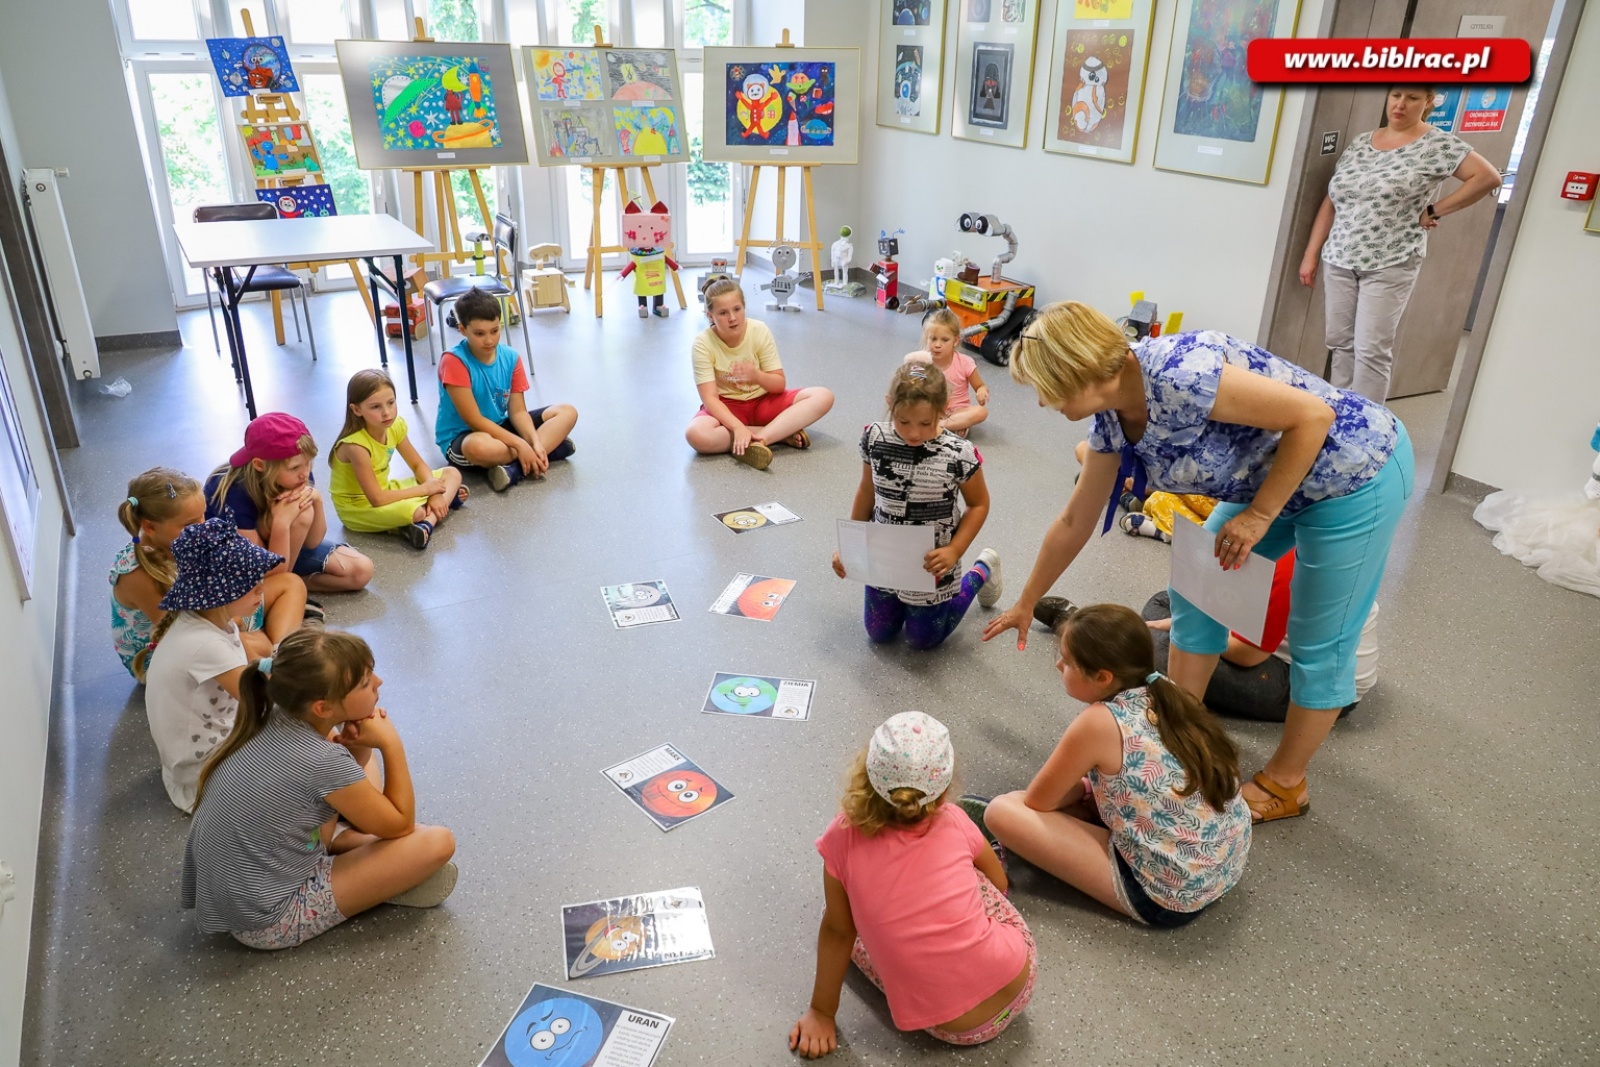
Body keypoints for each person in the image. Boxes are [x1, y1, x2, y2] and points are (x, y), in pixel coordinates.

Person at [987, 302, 1413, 823]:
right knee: (1194, 592)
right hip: (1275, 478)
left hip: (1353, 472)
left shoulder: (1182, 373)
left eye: (1044, 389)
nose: (1040, 402)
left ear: (1077, 372)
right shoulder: (1111, 419)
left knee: (1320, 641)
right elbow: (1075, 520)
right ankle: (1178, 736)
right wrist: (1026, 601)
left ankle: (1286, 784)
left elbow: (1314, 416)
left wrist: (1259, 516)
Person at [976, 605, 1251, 926]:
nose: (1058, 665)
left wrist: (1079, 792)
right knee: (1084, 794)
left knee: (1001, 811)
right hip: (1223, 863)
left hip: (1168, 897)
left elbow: (1038, 801)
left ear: (1103, 677)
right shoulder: (1165, 689)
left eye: (1068, 661)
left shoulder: (1097, 722)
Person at [183, 628, 457, 950]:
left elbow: (333, 784)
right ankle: (377, 877)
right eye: (365, 682)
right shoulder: (322, 760)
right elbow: (400, 824)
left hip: (249, 888)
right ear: (323, 708)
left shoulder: (274, 715)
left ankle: (354, 851)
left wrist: (359, 745)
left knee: (361, 765)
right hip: (268, 919)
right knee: (437, 842)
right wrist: (390, 743)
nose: (379, 682)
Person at [790, 712, 1035, 1058]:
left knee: (850, 924)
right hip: (1020, 979)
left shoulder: (841, 837)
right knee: (973, 871)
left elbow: (838, 932)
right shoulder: (954, 818)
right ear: (943, 788)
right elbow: (998, 882)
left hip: (952, 1028)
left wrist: (821, 1012)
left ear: (865, 774)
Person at [1299, 85, 1502, 402]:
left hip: (1391, 260)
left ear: (1429, 101)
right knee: (1340, 343)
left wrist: (1434, 210)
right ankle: (1340, 415)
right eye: (1395, 95)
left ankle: (1369, 425)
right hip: (1339, 256)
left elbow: (1488, 177)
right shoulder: (1361, 142)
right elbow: (1332, 200)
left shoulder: (1438, 144)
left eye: (1412, 98)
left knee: (1371, 350)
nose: (1400, 104)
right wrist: (1311, 254)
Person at [831, 362, 1001, 650]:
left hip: (932, 563)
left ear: (943, 409)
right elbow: (866, 490)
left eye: (925, 423)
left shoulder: (959, 452)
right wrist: (850, 545)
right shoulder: (874, 437)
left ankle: (982, 570)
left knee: (923, 639)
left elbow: (979, 504)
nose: (913, 433)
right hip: (883, 557)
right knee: (879, 633)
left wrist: (954, 550)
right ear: (890, 405)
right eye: (903, 421)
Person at [144, 517, 283, 812]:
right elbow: (263, 701)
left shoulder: (212, 621)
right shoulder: (206, 645)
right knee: (311, 750)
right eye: (251, 584)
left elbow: (253, 670)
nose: (262, 588)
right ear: (221, 592)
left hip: (198, 757)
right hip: (205, 777)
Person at [113, 467, 304, 681]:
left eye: (203, 516)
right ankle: (274, 669)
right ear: (149, 527)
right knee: (254, 645)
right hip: (171, 653)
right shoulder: (139, 574)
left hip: (210, 617)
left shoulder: (190, 540)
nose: (202, 527)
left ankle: (280, 653)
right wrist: (235, 622)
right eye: (189, 524)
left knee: (291, 584)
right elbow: (182, 633)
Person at [206, 412, 374, 594]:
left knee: (361, 571)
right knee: (301, 513)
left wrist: (317, 500)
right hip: (243, 566)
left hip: (283, 551)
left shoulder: (298, 473)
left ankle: (292, 583)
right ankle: (284, 587)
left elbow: (312, 542)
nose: (305, 473)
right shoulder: (232, 492)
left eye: (308, 463)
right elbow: (260, 568)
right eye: (295, 467)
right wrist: (281, 523)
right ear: (260, 465)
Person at [435, 288, 578, 492]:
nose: (489, 340)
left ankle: (518, 467)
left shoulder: (511, 357)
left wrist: (534, 442)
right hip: (465, 435)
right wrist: (520, 445)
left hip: (500, 426)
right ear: (462, 330)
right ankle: (548, 452)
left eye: (495, 331)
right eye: (479, 334)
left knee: (567, 412)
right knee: (477, 447)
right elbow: (474, 420)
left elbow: (517, 412)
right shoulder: (453, 361)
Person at [684, 278, 835, 470]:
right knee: (695, 434)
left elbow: (779, 385)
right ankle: (780, 434)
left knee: (823, 396)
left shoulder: (759, 330)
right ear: (710, 316)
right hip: (727, 407)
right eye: (723, 313)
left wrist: (756, 375)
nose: (732, 318)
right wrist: (737, 427)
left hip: (763, 402)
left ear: (744, 307)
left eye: (737, 309)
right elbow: (710, 399)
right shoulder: (702, 344)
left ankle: (761, 439)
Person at [331, 369, 465, 549]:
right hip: (357, 508)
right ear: (356, 409)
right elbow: (376, 499)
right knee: (415, 512)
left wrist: (433, 492)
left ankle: (429, 516)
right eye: (375, 407)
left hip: (385, 490)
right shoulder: (356, 446)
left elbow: (417, 465)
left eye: (391, 403)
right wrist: (426, 489)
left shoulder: (395, 426)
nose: (387, 413)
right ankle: (432, 516)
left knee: (452, 473)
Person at [904, 307, 989, 436]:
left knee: (981, 412)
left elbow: (980, 386)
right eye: (933, 339)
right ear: (927, 338)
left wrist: (981, 392)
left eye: (944, 340)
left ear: (955, 340)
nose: (938, 345)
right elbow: (912, 388)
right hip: (932, 409)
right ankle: (950, 427)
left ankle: (939, 426)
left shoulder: (965, 362)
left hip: (957, 412)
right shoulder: (923, 361)